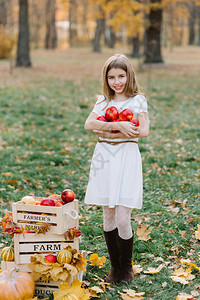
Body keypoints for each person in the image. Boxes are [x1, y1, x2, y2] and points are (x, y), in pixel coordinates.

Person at [84, 54, 149, 284]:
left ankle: (127, 266)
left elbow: (143, 130)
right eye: (111, 77)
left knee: (123, 217)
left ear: (129, 75)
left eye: (121, 76)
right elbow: (89, 124)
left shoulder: (137, 100)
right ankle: (115, 267)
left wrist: (108, 131)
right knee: (108, 215)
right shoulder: (103, 101)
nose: (117, 82)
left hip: (126, 158)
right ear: (106, 78)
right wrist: (117, 125)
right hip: (105, 158)